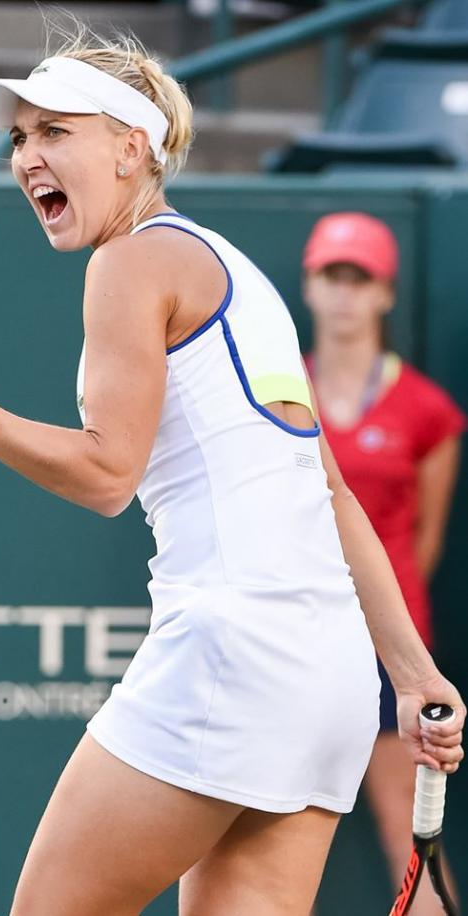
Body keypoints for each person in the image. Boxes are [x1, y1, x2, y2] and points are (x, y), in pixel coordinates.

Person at [0, 24, 464, 916]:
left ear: (132, 148)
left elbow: (109, 475)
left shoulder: (133, 258)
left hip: (231, 651)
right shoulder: (244, 276)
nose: (28, 155)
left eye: (54, 132)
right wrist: (412, 671)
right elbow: (331, 492)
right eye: (20, 138)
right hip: (328, 680)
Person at [303, 211, 466, 914]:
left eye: (359, 278)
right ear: (309, 286)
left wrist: (384, 629)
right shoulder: (278, 393)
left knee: (408, 824)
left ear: (386, 294)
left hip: (386, 649)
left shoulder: (428, 412)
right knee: (250, 820)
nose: (345, 294)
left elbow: (423, 544)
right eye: (332, 276)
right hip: (290, 633)